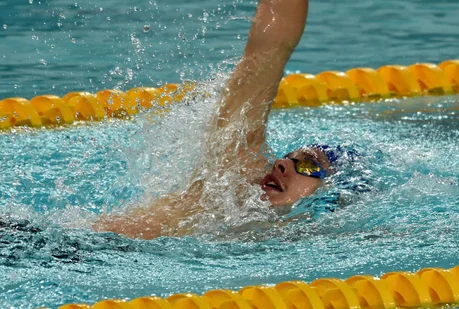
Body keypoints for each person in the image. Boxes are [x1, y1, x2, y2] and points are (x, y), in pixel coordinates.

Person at [93, 0, 352, 239]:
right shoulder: (234, 177)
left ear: (329, 194)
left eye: (308, 167)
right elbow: (271, 48)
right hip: (76, 248)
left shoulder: (305, 236)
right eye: (288, 157)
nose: (283, 164)